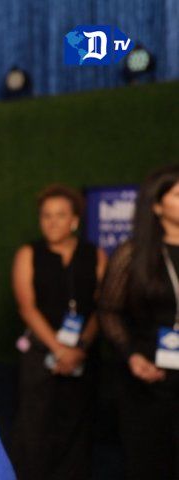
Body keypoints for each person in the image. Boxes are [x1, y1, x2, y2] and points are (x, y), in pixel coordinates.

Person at [10, 184, 107, 480]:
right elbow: (27, 308)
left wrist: (81, 348)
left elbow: (103, 307)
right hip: (41, 354)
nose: (52, 222)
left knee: (78, 425)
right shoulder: (29, 253)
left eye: (60, 215)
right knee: (35, 426)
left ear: (75, 220)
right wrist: (60, 349)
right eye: (46, 216)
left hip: (83, 355)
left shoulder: (96, 254)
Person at [99, 164, 179, 479]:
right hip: (148, 375)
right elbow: (108, 310)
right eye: (177, 193)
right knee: (151, 460)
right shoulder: (133, 253)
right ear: (157, 206)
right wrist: (131, 355)